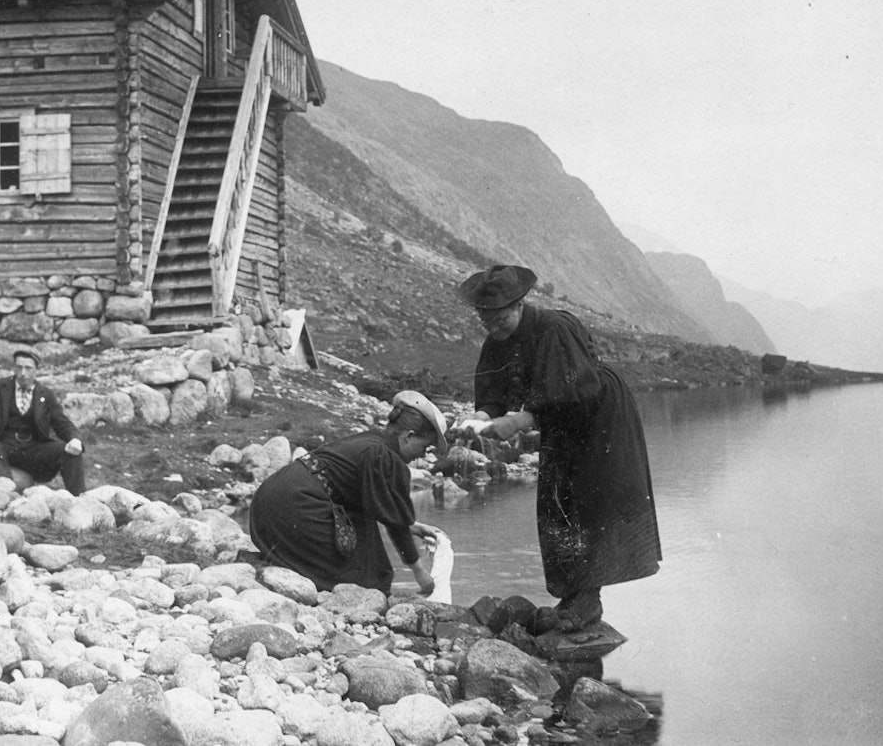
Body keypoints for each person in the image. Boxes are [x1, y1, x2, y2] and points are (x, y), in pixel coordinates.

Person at [455, 264, 661, 630]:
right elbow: (492, 396)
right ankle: (573, 595)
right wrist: (479, 418)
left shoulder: (554, 328)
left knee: (590, 503)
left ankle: (587, 603)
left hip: (598, 418)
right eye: (485, 320)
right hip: (561, 423)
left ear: (518, 305)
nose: (493, 327)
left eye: (499, 318)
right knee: (556, 501)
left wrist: (516, 422)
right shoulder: (497, 341)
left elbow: (574, 394)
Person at [249, 390, 449, 595]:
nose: (420, 456)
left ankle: (271, 563)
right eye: (424, 448)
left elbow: (381, 506)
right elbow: (395, 524)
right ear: (409, 436)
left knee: (363, 532)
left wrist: (412, 526)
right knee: (365, 579)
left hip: (268, 501)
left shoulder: (372, 440)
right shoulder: (387, 457)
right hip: (295, 503)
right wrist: (421, 574)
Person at [0, 348, 86, 495]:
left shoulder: (46, 394)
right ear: (14, 367)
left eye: (28, 368)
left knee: (68, 450)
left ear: (36, 370)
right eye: (19, 367)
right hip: (2, 447)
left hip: (34, 450)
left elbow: (62, 423)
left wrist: (74, 439)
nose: (23, 373)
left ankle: (80, 498)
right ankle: (6, 495)